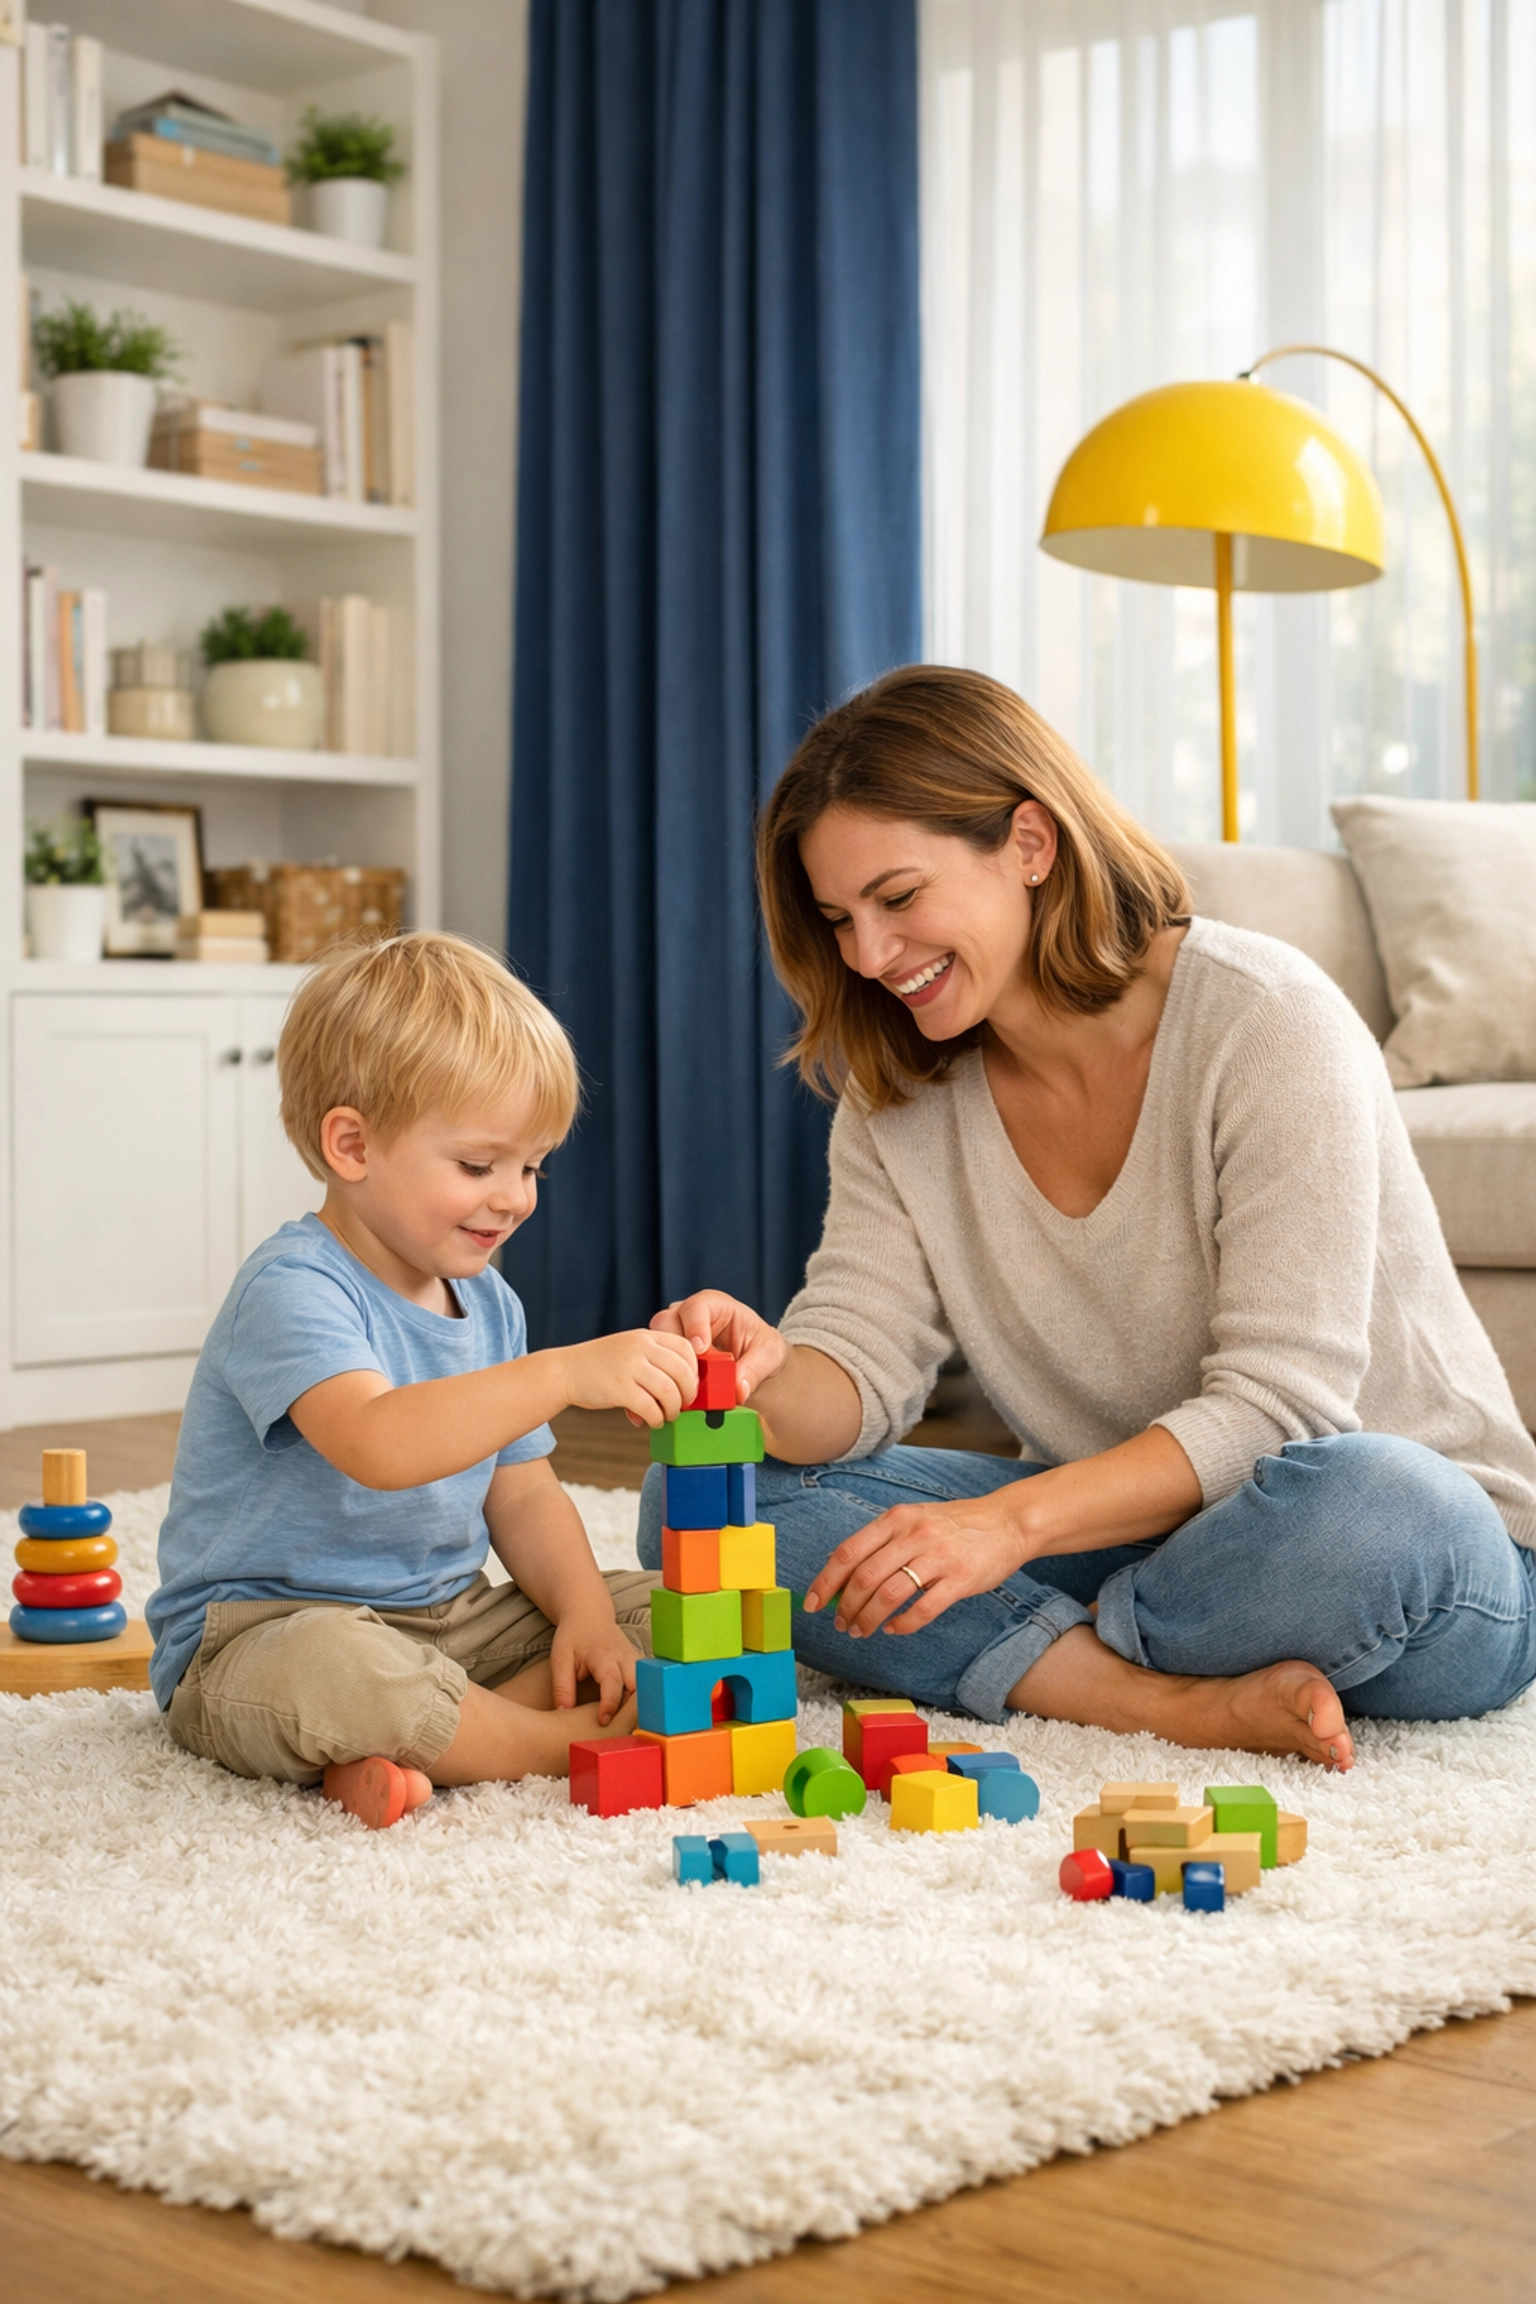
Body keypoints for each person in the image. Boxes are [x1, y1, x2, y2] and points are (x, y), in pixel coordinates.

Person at [641, 666, 1536, 1768]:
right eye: (838, 920)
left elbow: (1279, 1409)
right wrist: (758, 1374)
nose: (869, 957)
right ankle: (1161, 1695)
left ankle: (1046, 1657)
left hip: (1396, 1551)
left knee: (1385, 1500)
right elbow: (861, 1376)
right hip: (1127, 1528)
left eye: (899, 898)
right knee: (709, 1502)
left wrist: (1002, 1532)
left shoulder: (1266, 1019)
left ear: (1029, 843)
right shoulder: (897, 1092)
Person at [148, 933, 695, 1828]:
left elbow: (520, 1496)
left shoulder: (490, 1305)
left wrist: (586, 1618)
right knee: (343, 1672)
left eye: (532, 1168)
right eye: (480, 1166)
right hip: (262, 1637)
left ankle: (427, 1742)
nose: (514, 1197)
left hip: (449, 1621)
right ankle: (545, 1743)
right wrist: (562, 1373)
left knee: (673, 1614)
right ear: (353, 1145)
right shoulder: (292, 1289)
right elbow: (380, 1442)